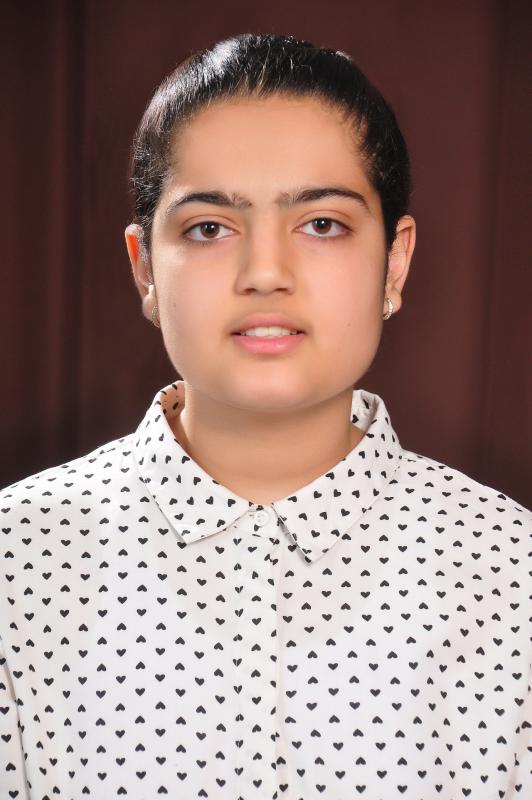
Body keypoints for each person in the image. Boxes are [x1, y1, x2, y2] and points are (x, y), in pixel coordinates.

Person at [1, 32, 530, 800]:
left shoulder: (510, 571)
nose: (266, 274)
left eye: (322, 224)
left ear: (395, 262)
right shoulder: (17, 562)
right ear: (145, 270)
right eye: (209, 228)